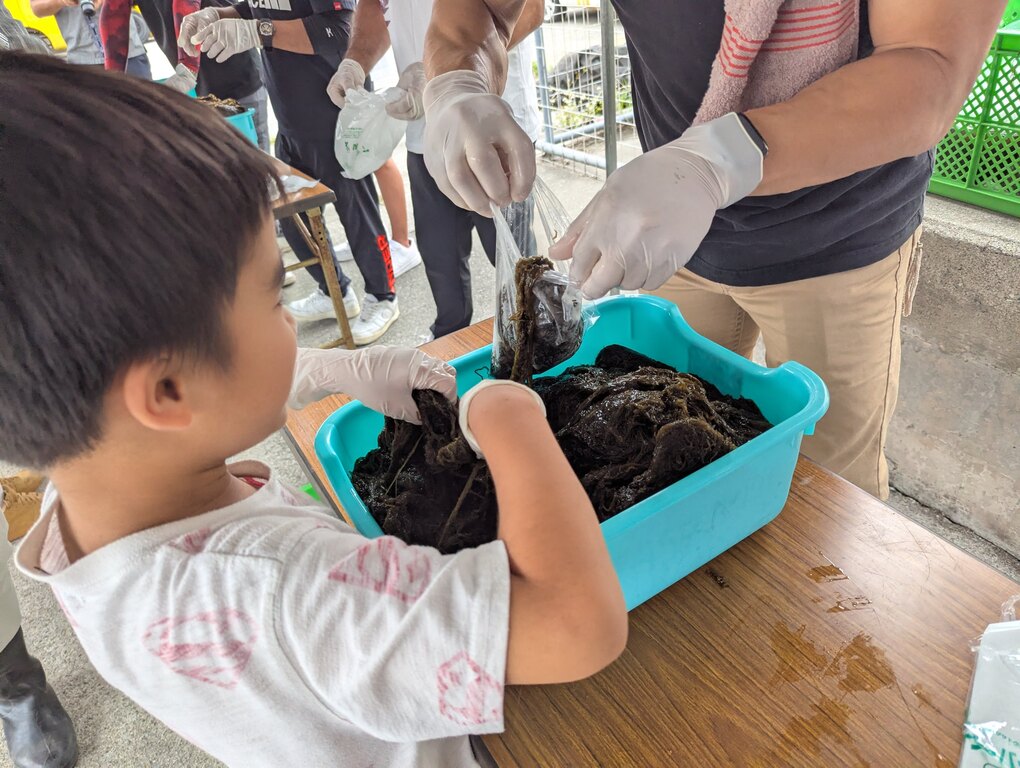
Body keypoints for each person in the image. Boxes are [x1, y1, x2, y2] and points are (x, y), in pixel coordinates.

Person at [0, 53, 627, 768]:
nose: (294, 320)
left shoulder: (79, 494)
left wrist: (324, 373)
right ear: (168, 393)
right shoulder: (288, 590)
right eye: (275, 298)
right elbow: (578, 625)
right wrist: (510, 420)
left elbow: (160, 412)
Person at [420, 0, 1005, 499]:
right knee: (666, 444)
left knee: (829, 489)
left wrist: (718, 160)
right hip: (671, 237)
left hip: (836, 239)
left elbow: (930, 64)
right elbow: (482, 12)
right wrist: (455, 81)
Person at [178, 0, 402, 345]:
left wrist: (259, 32)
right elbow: (259, 8)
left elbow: (339, 31)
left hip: (333, 114)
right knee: (292, 219)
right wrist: (219, 15)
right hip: (290, 118)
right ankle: (334, 290)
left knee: (358, 214)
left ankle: (384, 297)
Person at [327, 0, 542, 340]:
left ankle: (536, 335)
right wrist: (355, 61)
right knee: (440, 256)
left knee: (513, 258)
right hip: (424, 135)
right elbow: (375, 6)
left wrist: (449, 72)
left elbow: (529, 11)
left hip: (489, 123)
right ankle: (450, 336)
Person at [28, 0, 151, 78]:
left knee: (144, 107)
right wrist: (60, 1)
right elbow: (37, 8)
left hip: (129, 53)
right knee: (95, 111)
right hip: (82, 61)